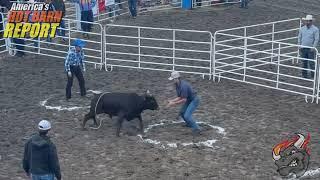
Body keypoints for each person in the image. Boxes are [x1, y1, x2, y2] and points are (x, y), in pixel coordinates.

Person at [166, 71, 201, 136]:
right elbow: (180, 97)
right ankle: (189, 123)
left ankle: (197, 129)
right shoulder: (177, 85)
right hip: (189, 99)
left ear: (177, 79)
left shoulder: (183, 86)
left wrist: (173, 103)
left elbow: (183, 100)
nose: (172, 80)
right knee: (182, 112)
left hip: (194, 100)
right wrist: (172, 101)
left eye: (173, 79)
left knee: (187, 115)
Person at [298, 15, 319, 79]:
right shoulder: (302, 29)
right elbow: (299, 37)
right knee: (304, 62)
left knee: (311, 63)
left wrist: (313, 47)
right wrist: (299, 45)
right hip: (303, 48)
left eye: (309, 21)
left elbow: (316, 39)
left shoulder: (315, 29)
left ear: (311, 21)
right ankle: (304, 75)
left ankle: (313, 76)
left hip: (310, 49)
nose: (307, 22)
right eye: (306, 21)